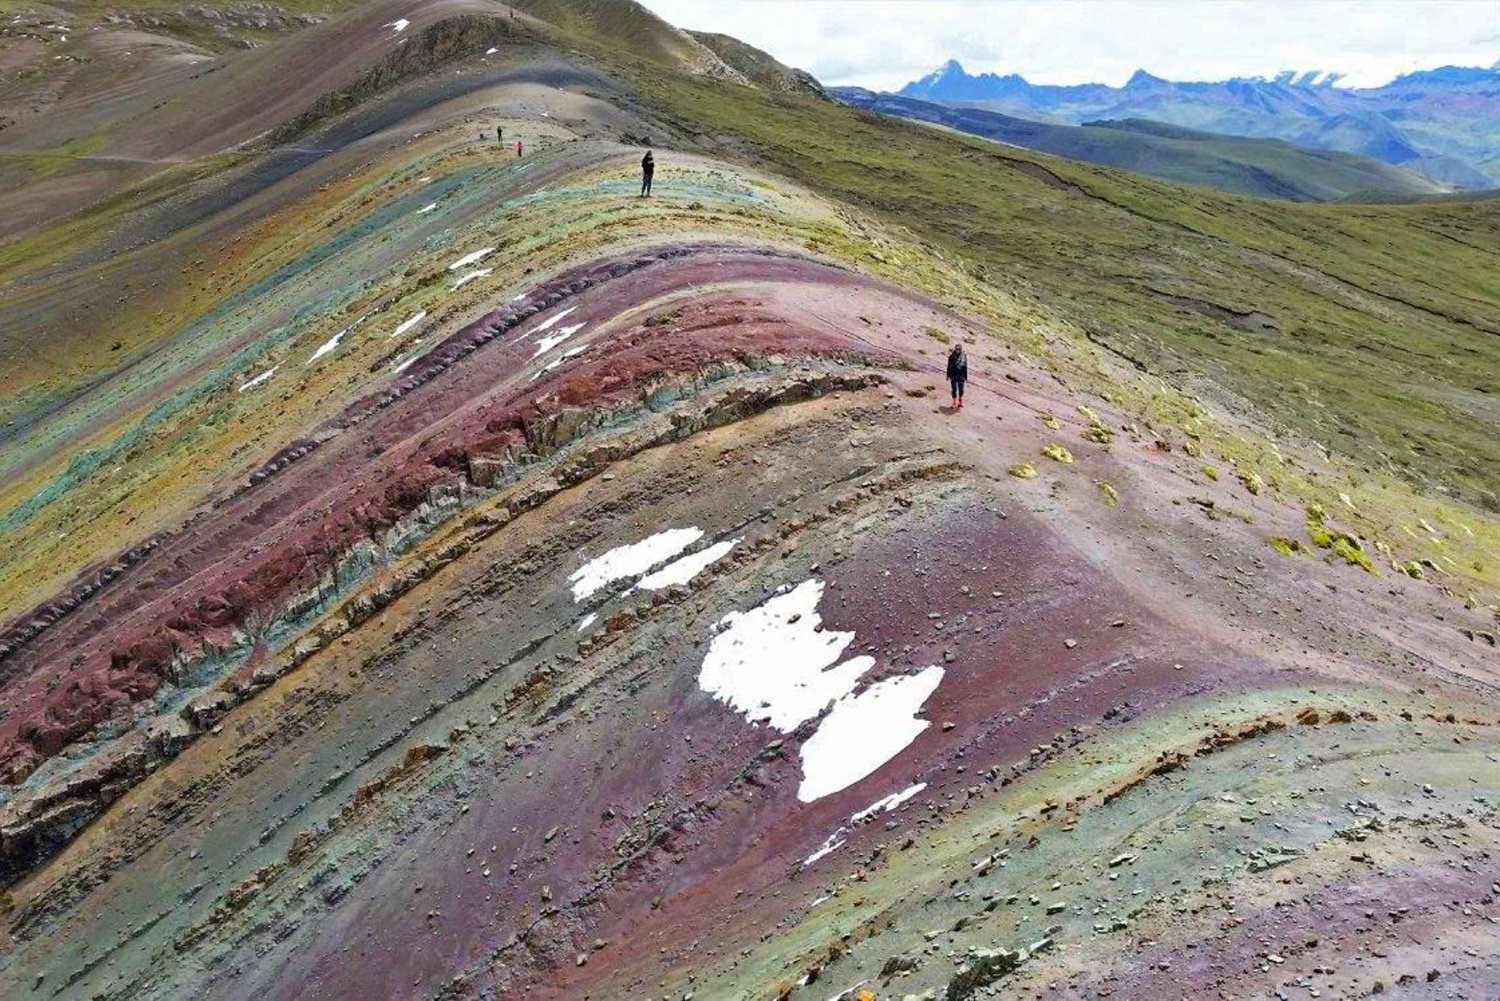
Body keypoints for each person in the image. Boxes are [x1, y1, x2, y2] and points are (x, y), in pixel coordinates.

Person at [947, 343, 968, 409]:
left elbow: (965, 367)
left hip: (961, 375)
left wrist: (966, 376)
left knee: (961, 389)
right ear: (955, 349)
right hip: (953, 375)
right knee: (954, 389)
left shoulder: (964, 356)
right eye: (956, 349)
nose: (958, 350)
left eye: (959, 349)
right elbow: (949, 366)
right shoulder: (951, 356)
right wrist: (947, 375)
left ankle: (960, 400)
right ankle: (954, 402)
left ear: (961, 349)